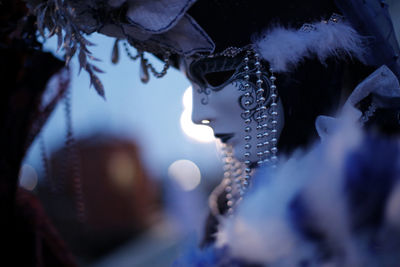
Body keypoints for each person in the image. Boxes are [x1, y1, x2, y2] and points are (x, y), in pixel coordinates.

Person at [23, 0, 400, 265]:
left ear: (298, 73)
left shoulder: (383, 200)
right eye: (195, 84)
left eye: (215, 77)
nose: (200, 113)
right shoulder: (225, 216)